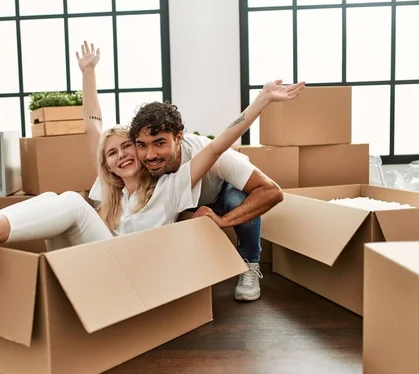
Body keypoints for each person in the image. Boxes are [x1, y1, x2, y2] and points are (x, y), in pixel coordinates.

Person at [0, 41, 305, 279]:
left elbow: (220, 143)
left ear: (146, 155)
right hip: (102, 262)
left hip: (137, 270)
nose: (123, 156)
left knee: (67, 201)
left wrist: (262, 101)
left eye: (130, 148)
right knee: (65, 202)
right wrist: (88, 72)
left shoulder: (174, 184)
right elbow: (93, 123)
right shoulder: (111, 191)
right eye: (114, 153)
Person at [89, 89, 299, 303]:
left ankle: (250, 263)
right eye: (142, 145)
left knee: (236, 199)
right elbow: (95, 133)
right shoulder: (131, 173)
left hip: (218, 196)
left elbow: (269, 190)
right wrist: (88, 71)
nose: (150, 154)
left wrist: (261, 101)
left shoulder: (197, 162)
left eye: (160, 143)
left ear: (178, 138)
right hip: (184, 209)